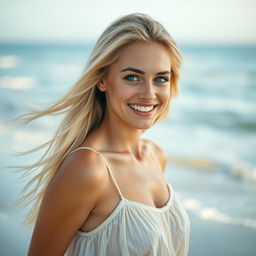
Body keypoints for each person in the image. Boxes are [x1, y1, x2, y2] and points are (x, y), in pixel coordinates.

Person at [15, 13, 190, 256]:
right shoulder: (87, 169)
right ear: (102, 80)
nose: (149, 93)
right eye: (132, 77)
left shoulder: (156, 156)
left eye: (160, 78)